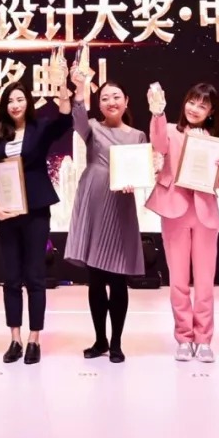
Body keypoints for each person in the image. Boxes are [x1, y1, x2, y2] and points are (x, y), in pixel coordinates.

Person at [0, 72, 72, 365]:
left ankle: (34, 339)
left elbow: (64, 122)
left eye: (20, 99)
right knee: (11, 277)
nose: (15, 105)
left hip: (35, 210)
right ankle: (15, 339)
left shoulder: (39, 128)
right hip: (5, 213)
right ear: (4, 105)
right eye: (10, 100)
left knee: (34, 275)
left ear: (28, 102)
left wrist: (63, 93)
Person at [145, 83, 219, 364]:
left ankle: (204, 339)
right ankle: (184, 337)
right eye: (191, 102)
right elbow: (158, 144)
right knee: (178, 281)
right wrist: (158, 113)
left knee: (205, 282)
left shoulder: (217, 141)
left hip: (205, 214)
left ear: (211, 111)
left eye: (202, 105)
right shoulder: (171, 130)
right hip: (175, 211)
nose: (194, 109)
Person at [65, 75, 147, 364]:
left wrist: (135, 181)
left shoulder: (137, 136)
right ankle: (100, 339)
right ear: (99, 105)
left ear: (126, 101)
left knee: (118, 278)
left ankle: (116, 343)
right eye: (105, 98)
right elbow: (77, 118)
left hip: (120, 206)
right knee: (96, 279)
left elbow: (141, 170)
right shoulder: (92, 128)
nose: (111, 102)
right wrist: (79, 91)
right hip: (93, 202)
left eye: (116, 96)